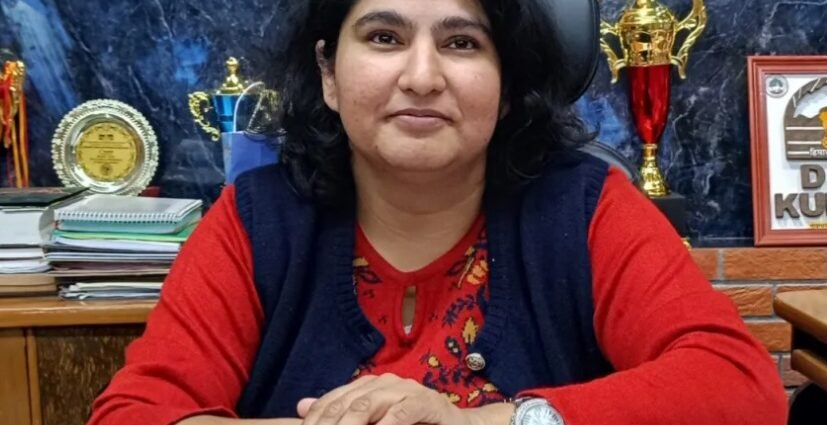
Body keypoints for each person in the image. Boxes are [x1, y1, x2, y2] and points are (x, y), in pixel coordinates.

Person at [88, 0, 788, 424]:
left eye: (461, 43)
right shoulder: (256, 219)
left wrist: (485, 421)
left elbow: (740, 388)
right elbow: (134, 412)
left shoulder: (584, 207)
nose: (421, 77)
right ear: (329, 73)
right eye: (384, 38)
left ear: (505, 84)